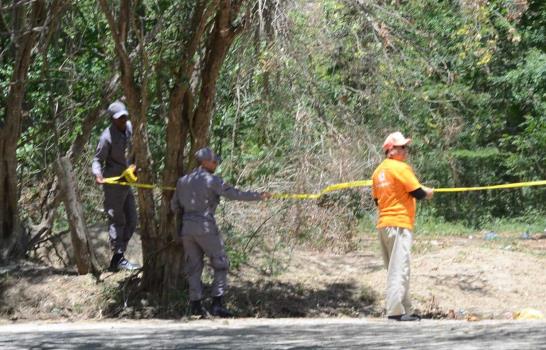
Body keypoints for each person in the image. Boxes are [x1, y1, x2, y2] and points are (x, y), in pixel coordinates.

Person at [171, 147, 271, 318]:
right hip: (206, 227)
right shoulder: (212, 180)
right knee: (221, 263)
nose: (216, 164)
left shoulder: (183, 181)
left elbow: (174, 206)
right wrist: (258, 196)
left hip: (187, 229)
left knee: (193, 267)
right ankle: (217, 304)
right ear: (204, 162)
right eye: (214, 161)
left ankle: (195, 306)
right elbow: (235, 194)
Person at [371, 131, 433, 321]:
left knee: (395, 268)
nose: (405, 150)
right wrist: (430, 192)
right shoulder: (401, 168)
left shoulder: (378, 172)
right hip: (399, 224)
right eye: (401, 147)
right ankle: (396, 312)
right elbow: (418, 192)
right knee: (400, 268)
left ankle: (405, 310)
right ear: (390, 151)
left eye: (405, 147)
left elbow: (376, 201)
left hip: (384, 226)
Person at [92, 101, 140, 272]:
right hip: (113, 183)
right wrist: (97, 175)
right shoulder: (106, 137)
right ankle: (118, 257)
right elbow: (97, 159)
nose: (123, 120)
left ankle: (118, 257)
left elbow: (137, 148)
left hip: (128, 180)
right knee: (117, 219)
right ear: (112, 119)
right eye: (119, 118)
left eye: (125, 116)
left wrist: (135, 165)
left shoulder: (129, 127)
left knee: (132, 219)